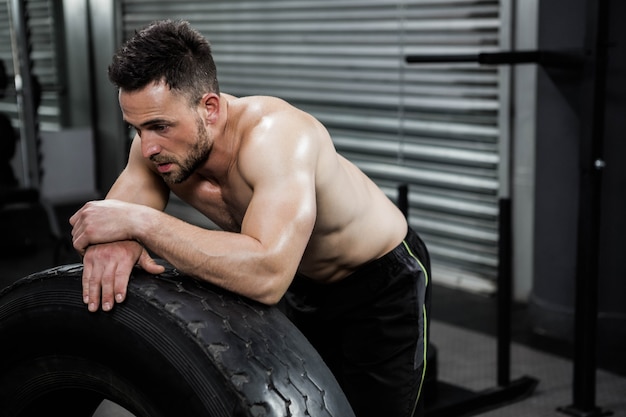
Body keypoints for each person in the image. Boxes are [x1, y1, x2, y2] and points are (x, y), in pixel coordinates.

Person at [70, 20, 431, 417]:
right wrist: (113, 240)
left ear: (209, 108)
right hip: (303, 285)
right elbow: (111, 222)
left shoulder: (276, 136)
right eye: (137, 128)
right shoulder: (156, 149)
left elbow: (267, 274)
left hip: (379, 284)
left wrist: (141, 225)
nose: (148, 146)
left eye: (159, 125)